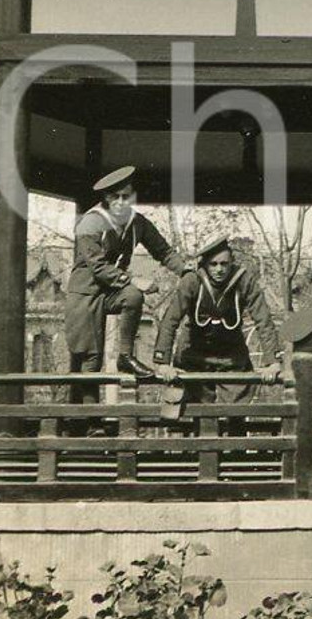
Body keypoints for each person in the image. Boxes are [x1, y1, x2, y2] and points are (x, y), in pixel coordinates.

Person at [64, 167, 188, 402]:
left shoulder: (137, 223)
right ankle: (85, 424)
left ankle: (125, 356)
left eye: (127, 196)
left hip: (111, 291)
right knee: (90, 360)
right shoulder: (90, 222)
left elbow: (163, 251)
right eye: (115, 197)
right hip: (85, 295)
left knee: (132, 296)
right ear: (106, 199)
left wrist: (187, 270)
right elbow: (98, 267)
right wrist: (132, 279)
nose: (121, 202)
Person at [152, 234, 284, 434]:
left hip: (231, 357)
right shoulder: (192, 281)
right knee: (201, 414)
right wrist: (163, 363)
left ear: (232, 263)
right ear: (204, 264)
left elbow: (263, 320)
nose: (219, 269)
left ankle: (237, 457)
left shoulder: (244, 280)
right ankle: (201, 458)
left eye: (224, 263)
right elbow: (170, 320)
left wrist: (272, 361)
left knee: (236, 411)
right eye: (213, 264)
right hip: (195, 356)